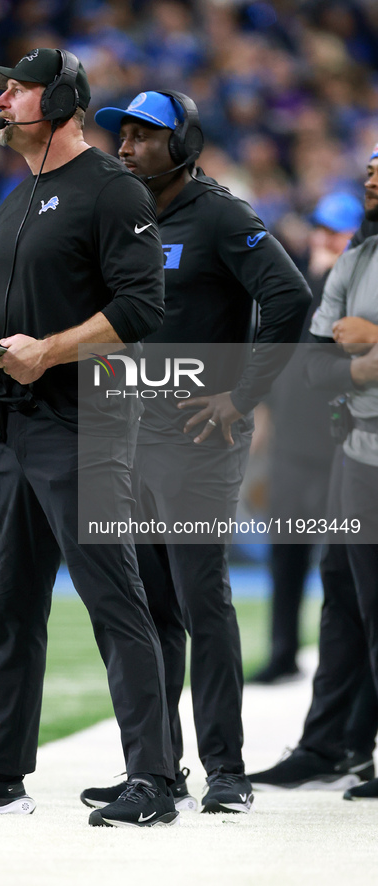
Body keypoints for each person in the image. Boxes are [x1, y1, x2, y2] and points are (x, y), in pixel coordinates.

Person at [0, 48, 180, 829]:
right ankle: (0, 772)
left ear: (60, 102)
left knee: (114, 604)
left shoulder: (110, 189)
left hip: (86, 426)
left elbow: (141, 308)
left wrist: (50, 350)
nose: (3, 102)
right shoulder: (16, 198)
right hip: (19, 430)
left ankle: (153, 780)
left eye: (18, 90)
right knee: (11, 607)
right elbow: (17, 318)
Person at [82, 90, 310, 815]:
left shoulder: (220, 215)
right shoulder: (128, 215)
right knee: (149, 608)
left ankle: (227, 771)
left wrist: (241, 397)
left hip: (197, 437)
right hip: (131, 430)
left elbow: (290, 298)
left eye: (144, 136)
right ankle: (156, 769)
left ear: (184, 143)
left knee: (198, 596)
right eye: (120, 134)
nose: (124, 146)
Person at [248, 147, 378, 797]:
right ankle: (333, 742)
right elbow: (309, 369)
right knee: (339, 591)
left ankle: (352, 739)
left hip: (351, 446)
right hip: (337, 448)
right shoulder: (336, 275)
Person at [250, 192, 364, 685]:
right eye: (321, 230)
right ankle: (282, 651)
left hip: (348, 445)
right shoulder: (300, 288)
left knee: (350, 565)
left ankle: (351, 664)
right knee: (287, 553)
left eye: (337, 234)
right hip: (295, 442)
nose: (325, 240)